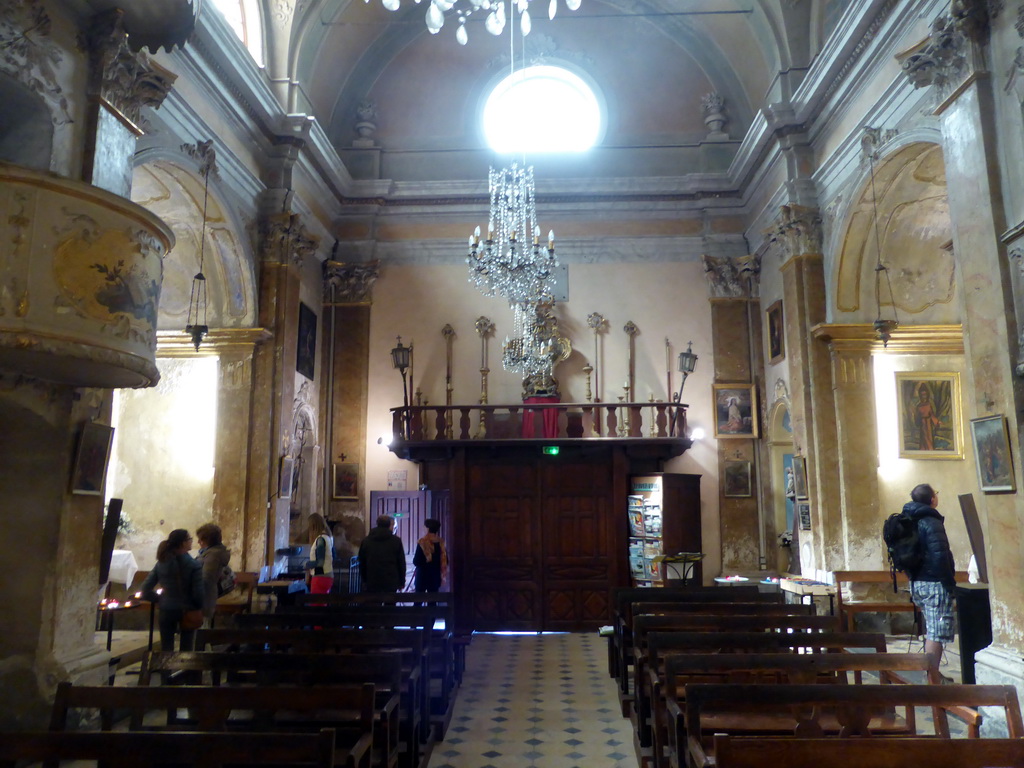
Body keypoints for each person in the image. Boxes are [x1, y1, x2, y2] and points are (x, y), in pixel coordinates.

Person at [902, 483, 957, 666]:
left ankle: (931, 674)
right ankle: (932, 680)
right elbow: (940, 555)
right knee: (936, 632)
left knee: (932, 628)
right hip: (934, 583)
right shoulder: (931, 522)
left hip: (916, 581)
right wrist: (950, 584)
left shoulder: (909, 520)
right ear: (932, 499)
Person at [140, 529, 204, 651]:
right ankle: (184, 670)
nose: (191, 541)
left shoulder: (161, 563)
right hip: (187, 610)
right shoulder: (194, 565)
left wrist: (160, 599)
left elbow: (145, 589)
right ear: (182, 543)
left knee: (166, 648)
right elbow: (198, 594)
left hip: (166, 609)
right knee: (187, 650)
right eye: (189, 539)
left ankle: (166, 670)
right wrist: (198, 606)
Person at [358, 514, 406, 592]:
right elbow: (401, 563)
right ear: (389, 525)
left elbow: (362, 562)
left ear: (377, 524)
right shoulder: (396, 541)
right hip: (391, 581)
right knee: (390, 603)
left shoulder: (366, 541)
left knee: (374, 603)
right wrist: (402, 582)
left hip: (372, 579)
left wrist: (364, 580)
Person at [195, 522, 231, 623]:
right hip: (203, 596)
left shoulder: (213, 555)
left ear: (208, 540)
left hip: (204, 597)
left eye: (201, 539)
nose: (198, 542)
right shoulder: (210, 552)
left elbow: (207, 578)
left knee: (200, 630)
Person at [413, 518, 448, 593]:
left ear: (427, 529)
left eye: (424, 527)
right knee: (433, 601)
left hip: (422, 575)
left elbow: (416, 561)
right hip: (435, 575)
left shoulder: (422, 542)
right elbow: (445, 560)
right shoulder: (441, 543)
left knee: (418, 601)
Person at [306, 513, 334, 595]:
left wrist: (307, 564)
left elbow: (320, 562)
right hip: (328, 576)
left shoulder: (320, 540)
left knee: (316, 605)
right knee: (322, 604)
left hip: (320, 577)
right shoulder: (328, 537)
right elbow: (334, 556)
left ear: (313, 526)